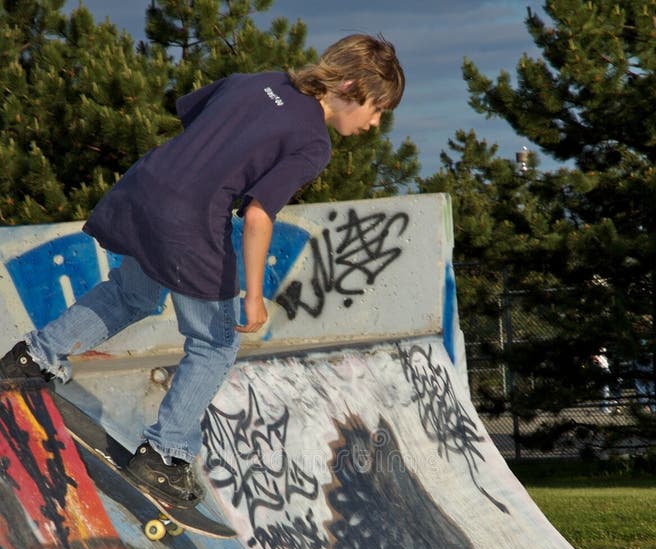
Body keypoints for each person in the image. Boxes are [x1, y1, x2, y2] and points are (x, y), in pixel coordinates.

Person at [0, 34, 405, 506]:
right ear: (351, 86)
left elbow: (192, 114)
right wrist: (253, 295)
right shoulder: (314, 141)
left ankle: (30, 360)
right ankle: (164, 453)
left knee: (129, 295)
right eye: (377, 108)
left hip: (145, 187)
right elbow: (257, 215)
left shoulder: (259, 80)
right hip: (191, 220)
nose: (374, 123)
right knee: (215, 342)